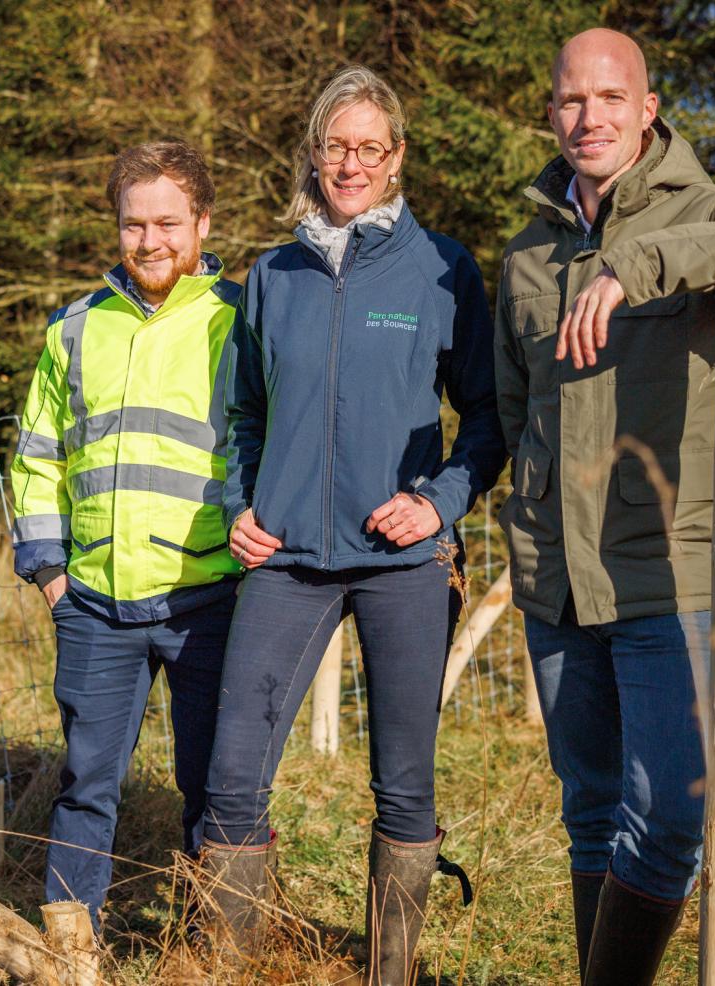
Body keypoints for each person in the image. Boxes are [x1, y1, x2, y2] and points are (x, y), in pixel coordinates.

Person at [494, 29, 715, 985]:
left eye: (611, 97)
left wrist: (636, 265)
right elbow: (518, 411)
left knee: (672, 817)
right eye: (570, 99)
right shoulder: (526, 251)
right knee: (592, 809)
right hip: (557, 583)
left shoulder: (708, 208)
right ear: (550, 110)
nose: (588, 116)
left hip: (669, 576)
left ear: (649, 108)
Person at [201, 65, 505, 984]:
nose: (353, 162)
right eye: (337, 144)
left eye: (372, 147)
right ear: (315, 151)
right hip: (286, 558)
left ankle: (391, 972)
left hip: (401, 562)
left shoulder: (442, 268)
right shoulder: (275, 273)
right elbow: (240, 416)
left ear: (398, 157)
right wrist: (238, 507)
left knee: (405, 785)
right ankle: (227, 965)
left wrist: (439, 503)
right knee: (229, 784)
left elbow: (489, 417)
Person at [9, 140, 243, 931]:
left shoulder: (243, 323)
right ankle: (69, 951)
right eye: (133, 224)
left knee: (215, 784)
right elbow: (38, 455)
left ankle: (211, 946)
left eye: (168, 223)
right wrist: (48, 571)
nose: (150, 242)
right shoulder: (75, 329)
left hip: (208, 600)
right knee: (87, 784)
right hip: (95, 605)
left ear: (203, 223)